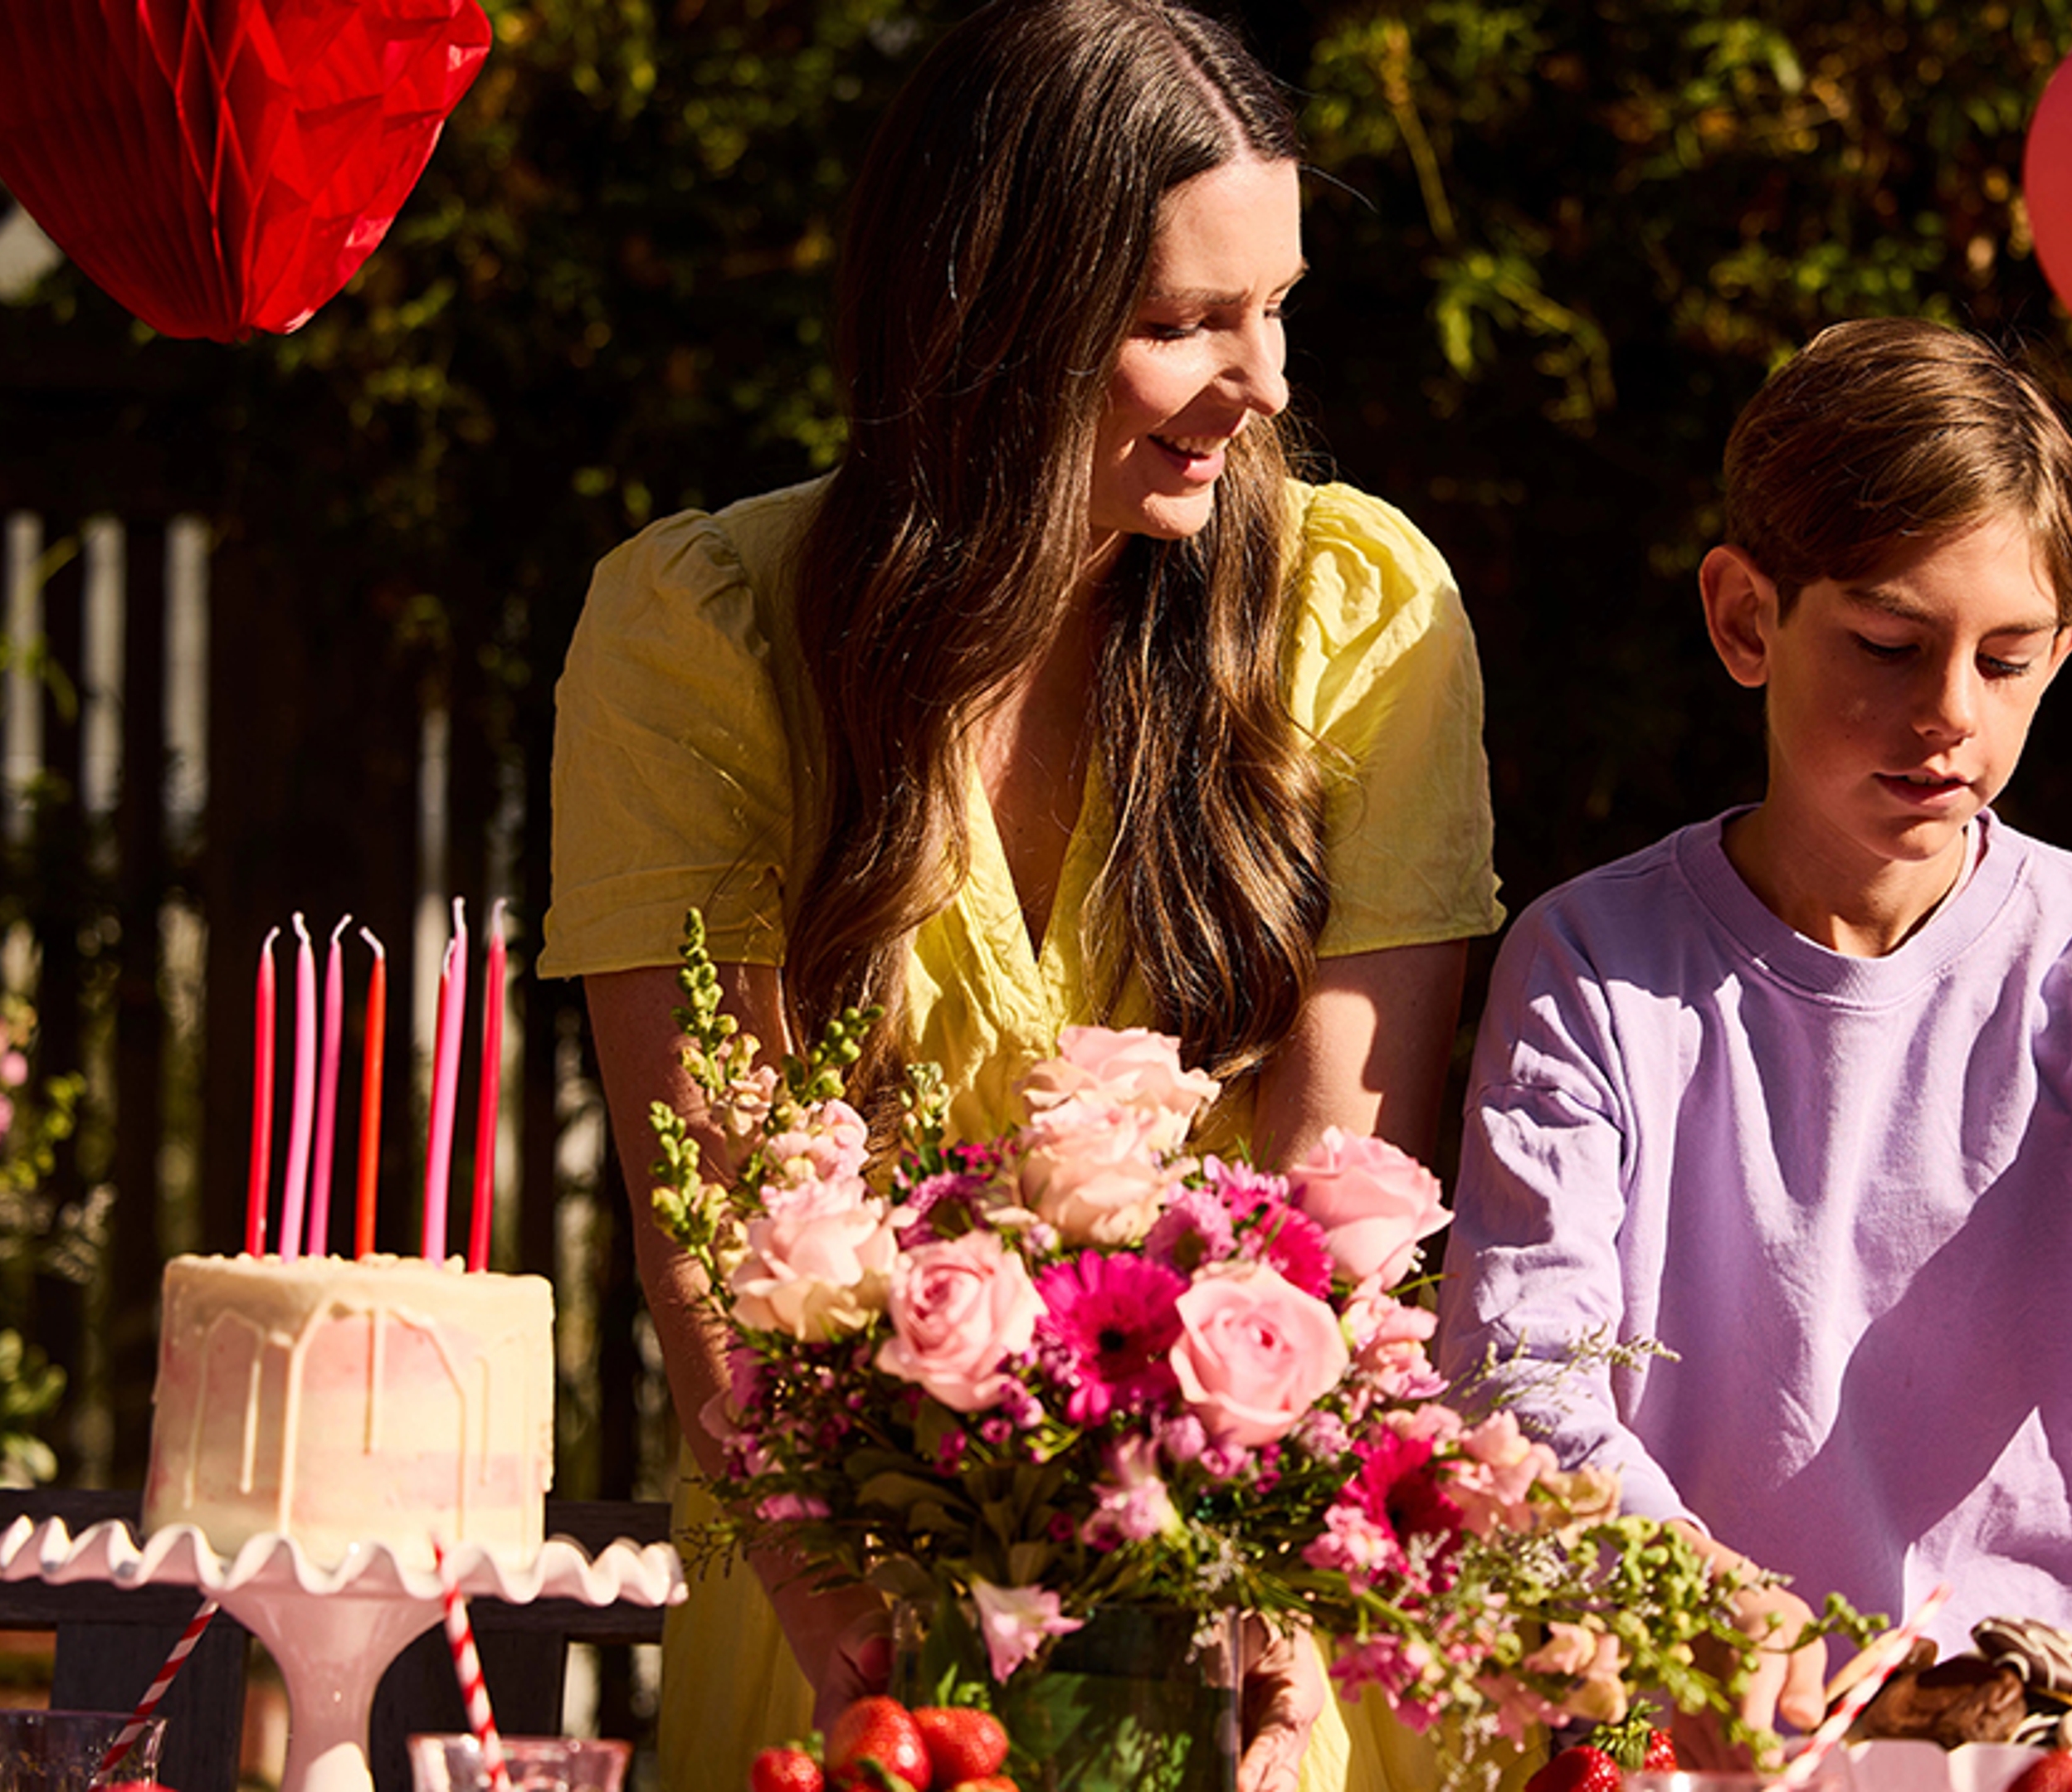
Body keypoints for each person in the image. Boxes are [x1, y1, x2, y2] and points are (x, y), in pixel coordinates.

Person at [539, 5, 1501, 1789]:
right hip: (853, 1611)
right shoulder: (701, 635)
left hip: (1242, 1622)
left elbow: (1335, 1201)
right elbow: (720, 1238)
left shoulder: (1366, 613)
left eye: (1275, 305)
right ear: (985, 318)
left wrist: (1268, 1628)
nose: (1265, 381)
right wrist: (865, 1666)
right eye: (1181, 325)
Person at [1435, 318, 2072, 1774]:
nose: (1949, 717)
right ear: (1746, 619)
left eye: (2007, 660)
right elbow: (1518, 1362)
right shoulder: (1596, 967)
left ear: (2069, 645)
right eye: (1886, 644)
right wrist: (1707, 1605)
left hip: (2017, 1753)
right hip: (1681, 1739)